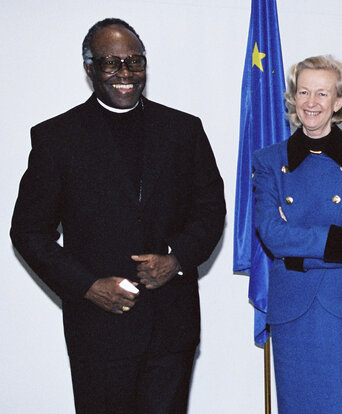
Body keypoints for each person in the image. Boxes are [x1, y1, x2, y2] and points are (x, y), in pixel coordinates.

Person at [10, 18, 226, 413]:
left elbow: (210, 209)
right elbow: (28, 231)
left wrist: (177, 260)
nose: (125, 74)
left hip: (171, 328)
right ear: (89, 68)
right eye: (112, 63)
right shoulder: (56, 138)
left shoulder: (184, 130)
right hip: (99, 330)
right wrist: (88, 285)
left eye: (135, 62)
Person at [251, 55, 342, 413]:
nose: (311, 103)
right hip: (294, 309)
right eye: (304, 92)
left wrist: (296, 239)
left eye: (322, 94)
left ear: (339, 101)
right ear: (293, 98)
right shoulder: (267, 161)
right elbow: (272, 236)